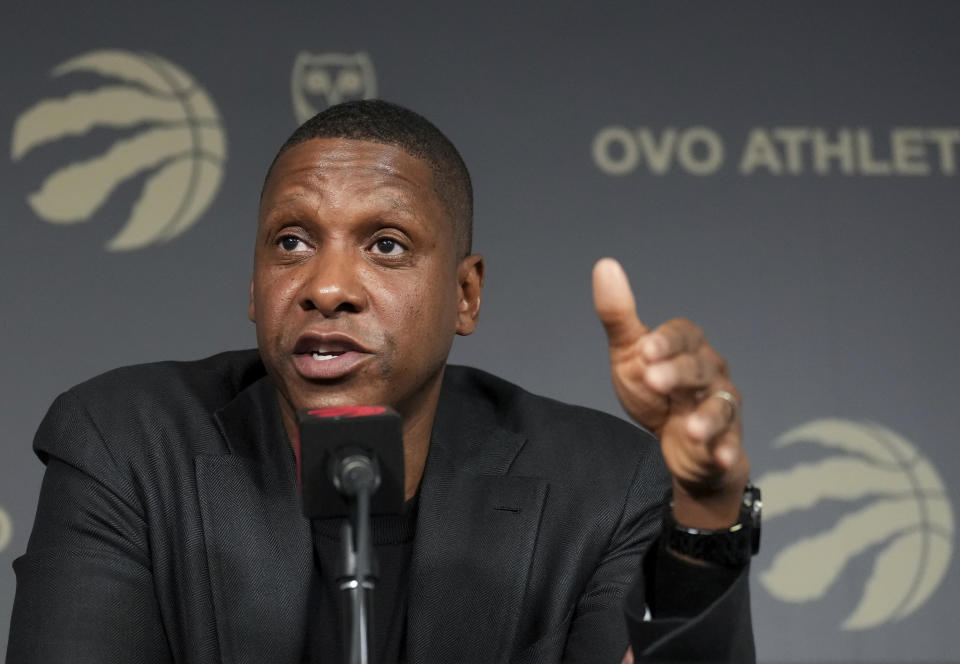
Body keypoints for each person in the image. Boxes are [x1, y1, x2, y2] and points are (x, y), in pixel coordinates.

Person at [7, 100, 756, 663]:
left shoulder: (603, 485)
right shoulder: (126, 445)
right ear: (253, 284)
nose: (327, 287)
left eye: (386, 244)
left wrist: (707, 516)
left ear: (466, 295)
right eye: (292, 241)